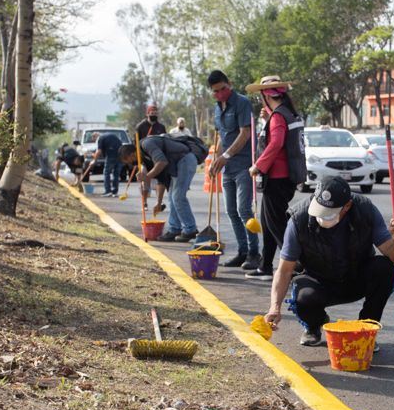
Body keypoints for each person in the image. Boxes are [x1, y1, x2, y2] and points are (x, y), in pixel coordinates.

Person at [263, 177, 394, 347]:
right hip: (318, 280)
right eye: (319, 210)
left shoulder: (365, 210)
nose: (322, 217)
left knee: (384, 269)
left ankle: (366, 329)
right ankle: (314, 325)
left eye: (329, 213)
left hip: (355, 277)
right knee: (304, 297)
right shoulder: (298, 219)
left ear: (347, 207)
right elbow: (284, 270)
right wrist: (275, 307)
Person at [244, 75, 307, 281]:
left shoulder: (279, 116)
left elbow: (276, 143)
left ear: (265, 95)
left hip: (277, 178)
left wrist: (258, 166)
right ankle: (265, 266)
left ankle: (299, 265)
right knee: (268, 222)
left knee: (278, 225)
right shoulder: (286, 113)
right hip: (285, 177)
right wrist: (267, 118)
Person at [207, 70, 259, 270]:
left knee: (244, 209)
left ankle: (255, 253)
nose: (220, 94)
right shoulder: (217, 108)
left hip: (244, 165)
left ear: (229, 84)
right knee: (231, 211)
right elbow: (222, 136)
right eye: (216, 92)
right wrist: (215, 159)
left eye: (223, 89)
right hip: (227, 168)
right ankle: (243, 251)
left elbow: (245, 133)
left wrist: (226, 156)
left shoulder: (242, 103)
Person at [118, 134, 200, 242]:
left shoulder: (147, 144)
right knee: (172, 197)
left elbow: (162, 162)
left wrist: (147, 177)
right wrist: (159, 202)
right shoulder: (145, 159)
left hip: (185, 160)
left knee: (178, 196)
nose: (130, 163)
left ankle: (190, 229)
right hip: (176, 166)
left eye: (128, 160)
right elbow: (161, 180)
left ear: (131, 154)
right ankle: (175, 229)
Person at [82, 131, 125, 197]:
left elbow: (99, 151)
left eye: (94, 140)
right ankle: (114, 192)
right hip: (120, 155)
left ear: (95, 136)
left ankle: (108, 191)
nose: (95, 141)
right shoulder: (111, 135)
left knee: (106, 173)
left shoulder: (100, 138)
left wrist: (94, 161)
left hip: (111, 155)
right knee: (116, 174)